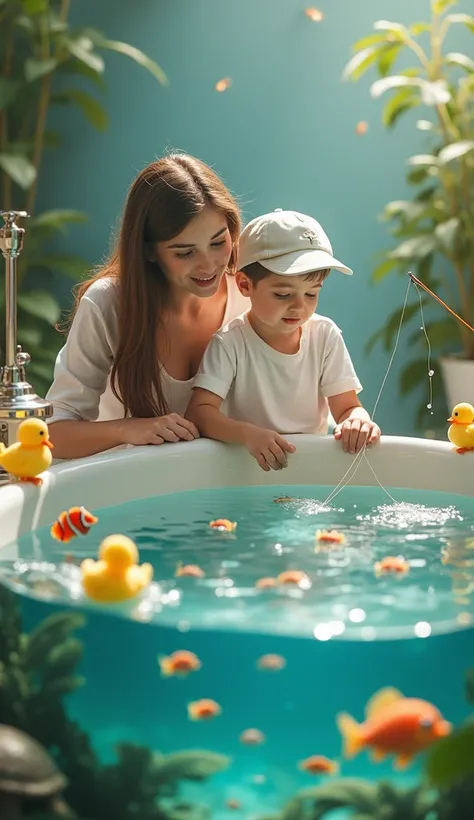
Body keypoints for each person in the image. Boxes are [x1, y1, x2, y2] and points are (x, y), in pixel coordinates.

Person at [45, 153, 249, 459]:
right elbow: (54, 433)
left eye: (218, 243)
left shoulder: (249, 294)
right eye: (185, 253)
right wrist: (127, 428)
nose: (209, 265)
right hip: (125, 485)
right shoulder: (109, 303)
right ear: (149, 252)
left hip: (218, 488)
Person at [185, 209, 381, 472]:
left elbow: (347, 408)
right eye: (283, 294)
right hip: (247, 469)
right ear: (245, 286)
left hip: (309, 470)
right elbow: (199, 413)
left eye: (311, 294)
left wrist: (358, 421)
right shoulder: (230, 343)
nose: (299, 307)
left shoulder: (325, 335)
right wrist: (248, 435)